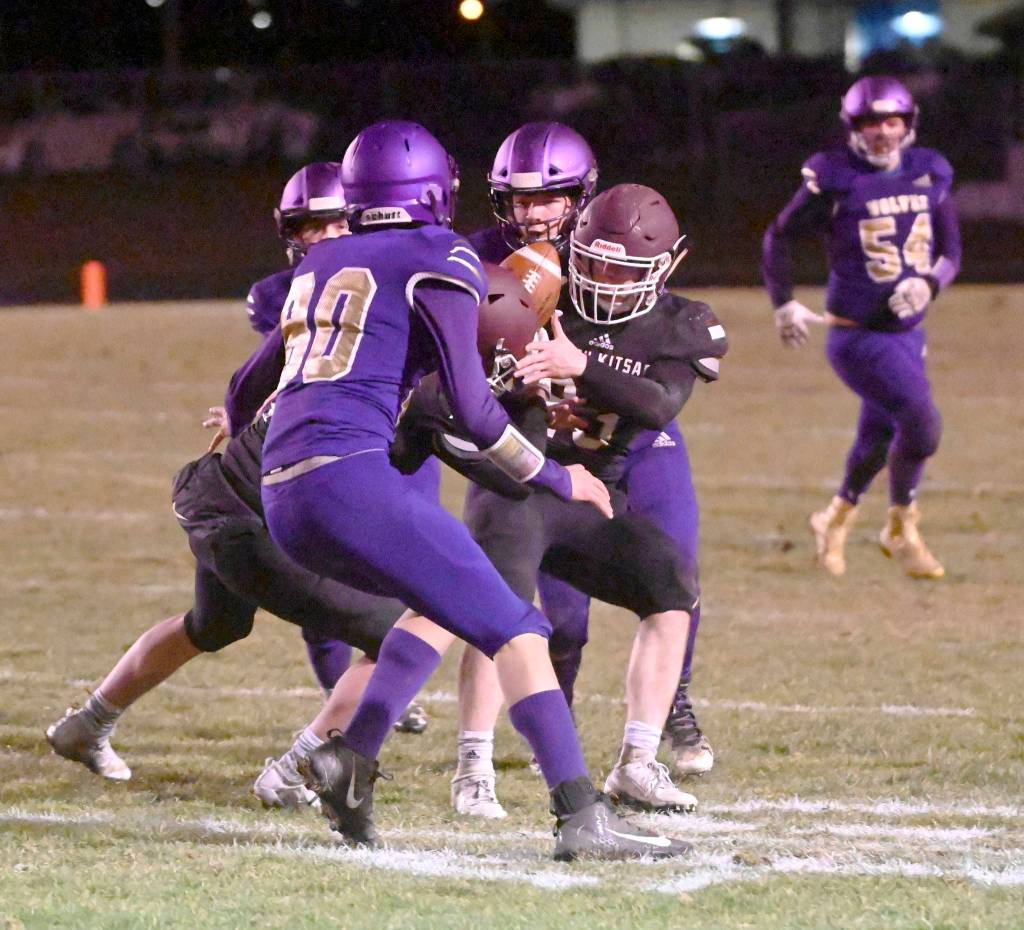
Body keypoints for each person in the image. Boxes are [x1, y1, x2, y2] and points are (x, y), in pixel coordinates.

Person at [256, 119, 690, 860]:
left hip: (284, 487)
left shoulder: (321, 261)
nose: (531, 213)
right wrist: (558, 475)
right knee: (519, 628)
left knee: (441, 604)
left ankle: (349, 762)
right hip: (372, 476)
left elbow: (246, 386)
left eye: (548, 197)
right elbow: (472, 409)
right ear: (440, 191)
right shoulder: (450, 254)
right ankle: (582, 817)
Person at [450, 126, 717, 819]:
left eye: (551, 198)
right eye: (519, 199)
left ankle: (661, 726)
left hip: (624, 442)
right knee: (544, 617)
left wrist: (585, 366)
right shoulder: (490, 261)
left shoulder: (624, 245)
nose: (534, 214)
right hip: (534, 454)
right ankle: (522, 743)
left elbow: (656, 390)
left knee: (673, 576)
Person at [226, 161, 433, 733]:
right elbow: (279, 373)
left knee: (417, 586)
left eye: (334, 222)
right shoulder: (277, 293)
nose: (321, 237)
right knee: (328, 588)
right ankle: (340, 708)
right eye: (307, 226)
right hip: (325, 446)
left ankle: (380, 689)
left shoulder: (402, 271)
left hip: (397, 443)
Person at [762, 75, 961, 579]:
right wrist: (784, 302)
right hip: (857, 335)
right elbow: (778, 237)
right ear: (853, 128)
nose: (882, 133)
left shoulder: (929, 170)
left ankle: (835, 518)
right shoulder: (834, 175)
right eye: (871, 123)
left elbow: (951, 252)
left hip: (909, 331)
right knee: (922, 423)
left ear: (907, 124)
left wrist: (929, 285)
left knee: (877, 437)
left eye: (891, 121)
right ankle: (901, 526)